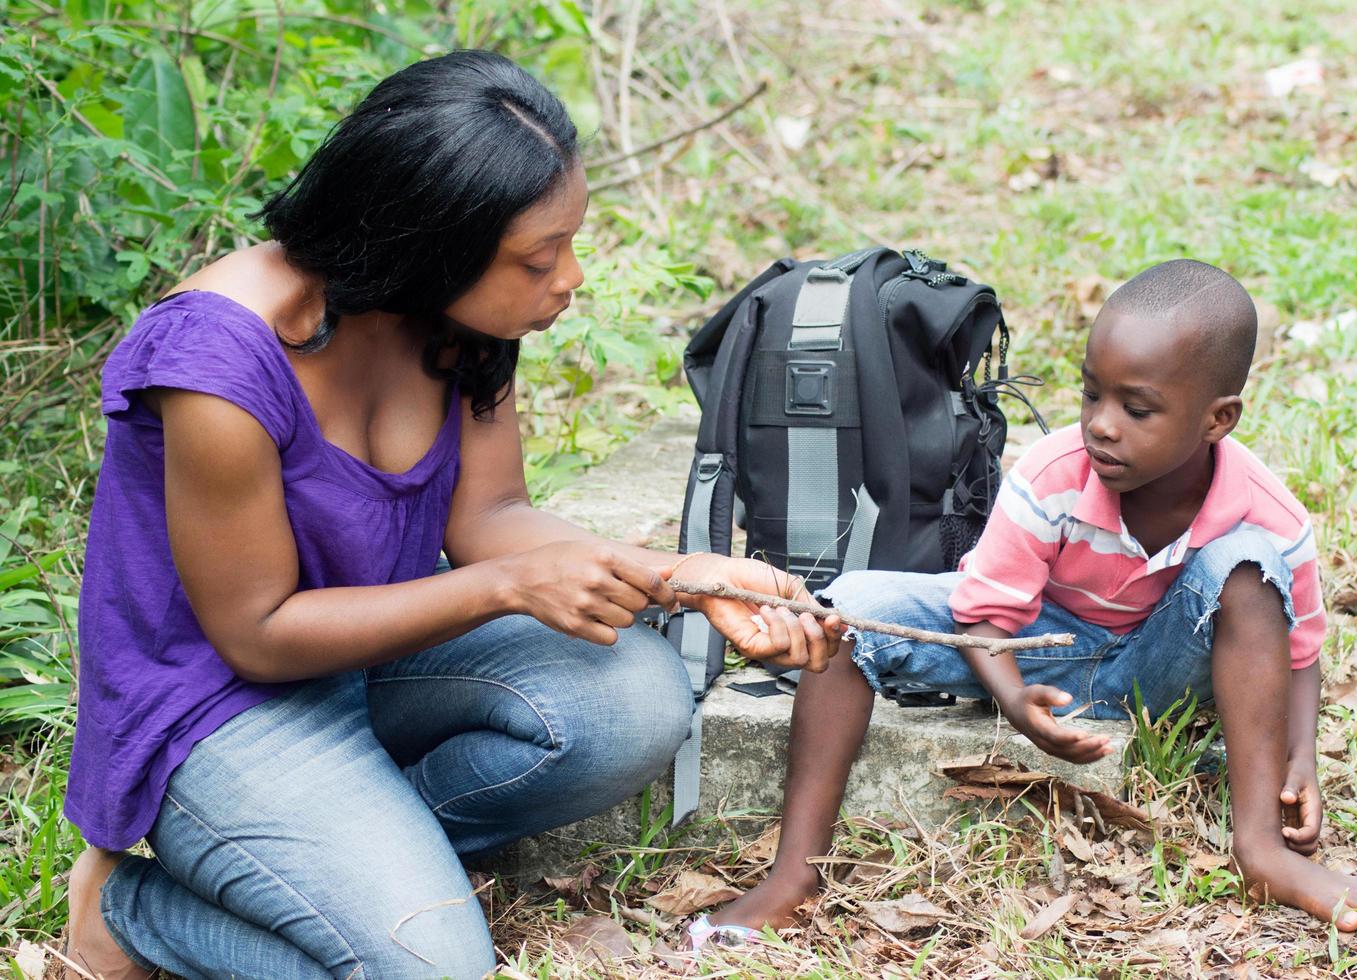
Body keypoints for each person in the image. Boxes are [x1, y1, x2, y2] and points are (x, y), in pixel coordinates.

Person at [62, 51, 843, 979]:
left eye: (570, 244)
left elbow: (491, 517)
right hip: (218, 708)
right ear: (428, 242)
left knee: (633, 700)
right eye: (538, 259)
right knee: (429, 970)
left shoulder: (455, 321)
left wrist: (689, 576)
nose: (570, 278)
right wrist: (504, 587)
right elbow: (259, 635)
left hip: (371, 655)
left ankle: (355, 854)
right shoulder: (220, 369)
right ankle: (131, 909)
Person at [697, 259, 1357, 946]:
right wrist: (1015, 701)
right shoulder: (1052, 474)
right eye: (1091, 394)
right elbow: (984, 614)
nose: (1101, 425)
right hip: (1040, 648)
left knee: (1246, 565)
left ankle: (1261, 852)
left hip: (1165, 662)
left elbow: (1300, 655)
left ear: (1218, 419)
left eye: (1137, 409)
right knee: (851, 607)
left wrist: (1299, 756)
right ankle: (794, 875)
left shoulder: (1268, 512)